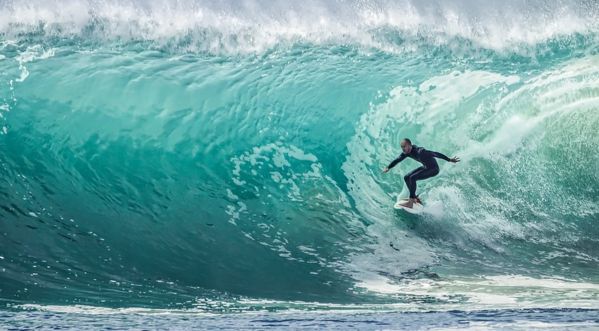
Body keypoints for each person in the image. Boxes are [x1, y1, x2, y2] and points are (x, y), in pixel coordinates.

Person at [382, 138, 459, 208]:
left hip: (434, 169)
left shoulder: (421, 151)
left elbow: (435, 154)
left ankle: (411, 202)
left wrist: (449, 159)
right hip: (426, 167)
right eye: (402, 147)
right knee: (406, 177)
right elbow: (398, 160)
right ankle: (415, 198)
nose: (403, 149)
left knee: (412, 178)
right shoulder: (406, 153)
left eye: (404, 147)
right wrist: (388, 167)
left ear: (409, 145)